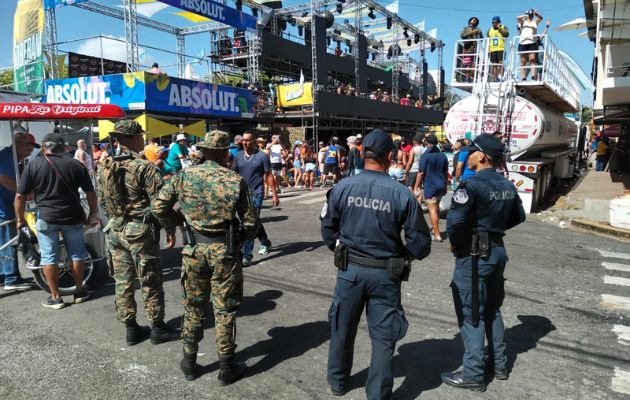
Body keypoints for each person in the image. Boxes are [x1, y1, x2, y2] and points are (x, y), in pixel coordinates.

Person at [321, 129, 432, 399]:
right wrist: (404, 255)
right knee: (383, 338)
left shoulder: (341, 187)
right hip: (386, 274)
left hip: (349, 271)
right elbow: (421, 244)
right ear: (389, 156)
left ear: (361, 153)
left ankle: (337, 382)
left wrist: (342, 248)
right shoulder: (401, 194)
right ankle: (377, 394)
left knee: (341, 327)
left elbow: (327, 230)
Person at [153, 130, 259, 383]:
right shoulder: (234, 180)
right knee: (224, 310)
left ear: (203, 151)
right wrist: (238, 239)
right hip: (225, 251)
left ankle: (189, 362)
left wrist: (180, 222)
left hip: (193, 251)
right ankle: (226, 366)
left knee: (194, 308)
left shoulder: (184, 175)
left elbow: (158, 206)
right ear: (225, 153)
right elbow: (252, 223)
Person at [441, 134, 526, 392]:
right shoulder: (507, 185)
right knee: (492, 310)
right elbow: (518, 216)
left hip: (475, 256)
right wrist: (494, 229)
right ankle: (499, 365)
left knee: (471, 314)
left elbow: (455, 224)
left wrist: (460, 242)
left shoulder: (471, 186)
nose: (468, 155)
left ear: (483, 157)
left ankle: (473, 374)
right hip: (497, 251)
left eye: (472, 152)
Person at [97, 120, 180, 345]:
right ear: (134, 138)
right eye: (141, 136)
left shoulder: (104, 165)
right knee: (150, 278)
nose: (143, 139)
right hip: (140, 231)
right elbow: (159, 205)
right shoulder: (145, 167)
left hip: (115, 230)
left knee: (123, 281)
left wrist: (116, 218)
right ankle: (157, 327)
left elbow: (102, 202)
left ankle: (131, 329)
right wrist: (170, 228)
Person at [15, 133, 100, 308]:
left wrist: (20, 220)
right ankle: (79, 291)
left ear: (45, 147)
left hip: (46, 217)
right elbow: (91, 193)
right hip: (73, 216)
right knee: (77, 254)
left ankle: (56, 298)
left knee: (49, 257)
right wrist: (93, 213)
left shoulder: (34, 165)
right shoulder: (76, 164)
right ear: (63, 147)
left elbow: (19, 196)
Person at [232, 132, 279, 267]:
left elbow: (268, 175)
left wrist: (274, 194)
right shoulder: (238, 156)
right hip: (241, 194)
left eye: (247, 140)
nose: (245, 143)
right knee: (254, 221)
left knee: (249, 223)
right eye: (243, 140)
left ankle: (247, 256)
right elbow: (233, 173)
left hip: (256, 193)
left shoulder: (262, 156)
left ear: (254, 142)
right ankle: (266, 243)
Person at [0, 132, 39, 291]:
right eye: (29, 146)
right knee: (9, 241)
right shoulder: (8, 156)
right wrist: (22, 192)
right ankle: (11, 279)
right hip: (3, 208)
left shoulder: (14, 158)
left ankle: (5, 275)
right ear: (19, 143)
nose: (31, 149)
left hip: (6, 206)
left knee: (5, 241)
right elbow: (3, 178)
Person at [414, 135, 449, 242]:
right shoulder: (442, 155)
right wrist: (446, 185)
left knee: (432, 210)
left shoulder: (426, 156)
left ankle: (437, 234)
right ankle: (435, 230)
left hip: (431, 186)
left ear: (427, 143)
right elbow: (445, 172)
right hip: (441, 185)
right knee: (436, 207)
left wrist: (416, 186)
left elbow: (421, 173)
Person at [517, 9, 543, 81]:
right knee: (523, 61)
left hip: (532, 43)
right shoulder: (523, 22)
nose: (530, 16)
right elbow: (518, 18)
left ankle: (533, 76)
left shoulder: (535, 22)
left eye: (531, 15)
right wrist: (526, 15)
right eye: (530, 15)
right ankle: (523, 77)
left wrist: (536, 14)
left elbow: (541, 18)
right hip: (522, 43)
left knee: (532, 60)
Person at [460, 17, 483, 82]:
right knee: (467, 64)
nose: (474, 21)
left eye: (475, 20)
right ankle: (467, 78)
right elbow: (462, 35)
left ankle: (469, 77)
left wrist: (480, 33)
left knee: (472, 64)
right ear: (470, 21)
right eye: (473, 20)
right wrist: (472, 32)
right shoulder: (465, 28)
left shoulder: (478, 29)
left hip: (474, 49)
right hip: (467, 48)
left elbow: (481, 39)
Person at [486, 16, 509, 81]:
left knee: (500, 63)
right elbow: (488, 40)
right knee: (494, 65)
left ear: (499, 22)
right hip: (492, 49)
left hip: (500, 48)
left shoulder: (503, 27)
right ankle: (495, 78)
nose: (494, 24)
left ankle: (502, 77)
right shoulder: (489, 30)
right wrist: (488, 49)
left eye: (496, 22)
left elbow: (506, 34)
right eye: (493, 23)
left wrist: (500, 28)